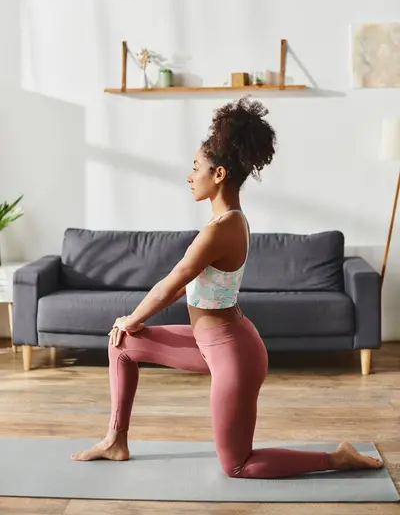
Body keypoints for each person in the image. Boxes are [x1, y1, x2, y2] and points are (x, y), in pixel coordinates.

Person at [71, 97, 383, 477]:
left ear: (218, 174)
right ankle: (115, 440)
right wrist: (128, 326)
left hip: (234, 355)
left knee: (237, 464)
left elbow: (170, 285)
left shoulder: (221, 231)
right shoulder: (231, 221)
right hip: (212, 344)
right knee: (121, 343)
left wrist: (132, 316)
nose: (189, 176)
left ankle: (338, 459)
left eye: (195, 168)